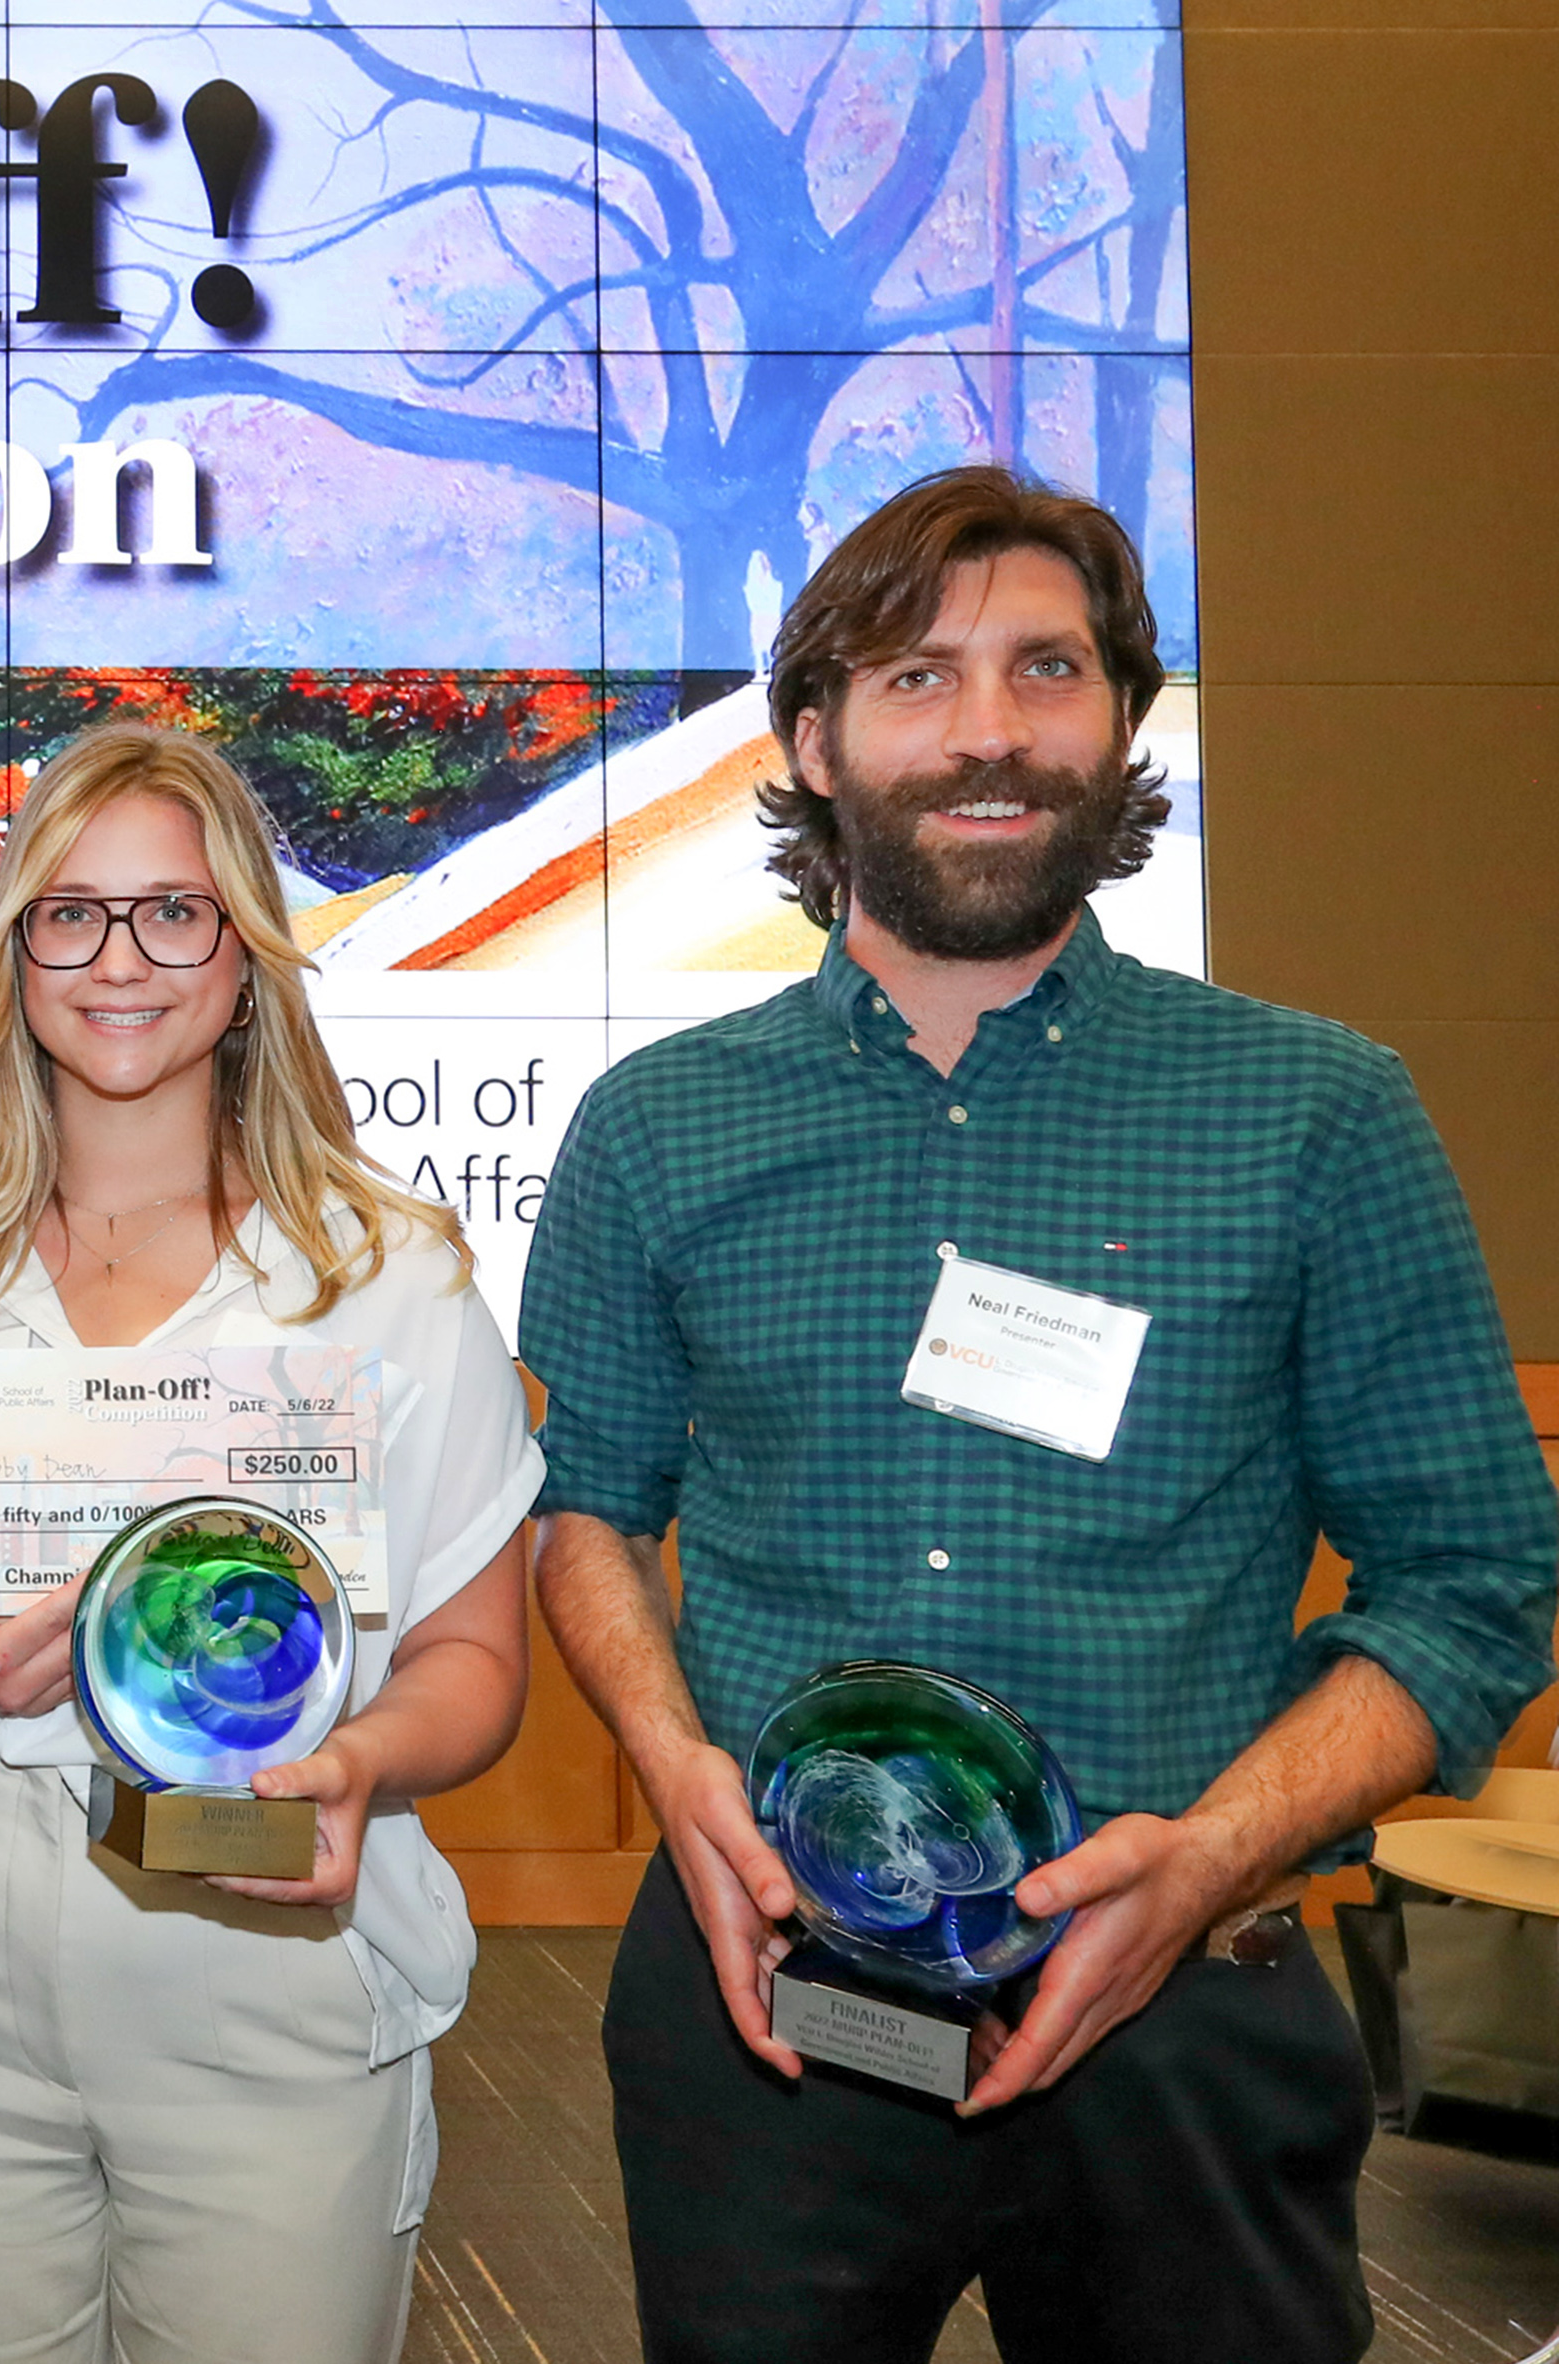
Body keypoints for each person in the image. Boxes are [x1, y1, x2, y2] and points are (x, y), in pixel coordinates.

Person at [523, 465, 1559, 2364]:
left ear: (1125, 718)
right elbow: (585, 1502)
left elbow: (1475, 1583)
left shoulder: (1320, 1117)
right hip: (777, 2008)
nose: (989, 730)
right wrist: (677, 1770)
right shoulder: (653, 1130)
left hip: (1192, 2022)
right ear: (816, 743)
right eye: (917, 677)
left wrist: (1217, 1855)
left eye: (1048, 668)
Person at [0, 724, 537, 2364]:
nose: (119, 959)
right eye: (71, 914)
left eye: (174, 914)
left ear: (249, 959)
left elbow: (478, 1667)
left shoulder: (387, 1278)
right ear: (15, 954)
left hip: (263, 1927)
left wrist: (355, 1766)